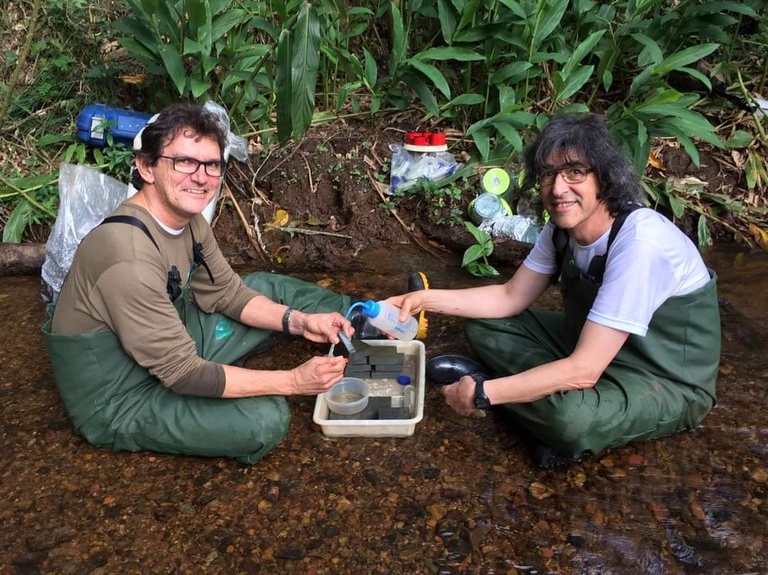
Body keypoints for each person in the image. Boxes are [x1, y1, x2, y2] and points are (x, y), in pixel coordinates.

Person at [42, 103, 428, 464]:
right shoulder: (126, 257)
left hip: (170, 339)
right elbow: (183, 373)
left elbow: (226, 291)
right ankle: (225, 384)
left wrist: (301, 321)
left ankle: (359, 318)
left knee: (266, 287)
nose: (201, 176)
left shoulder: (188, 220)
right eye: (184, 162)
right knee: (265, 419)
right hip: (122, 395)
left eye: (211, 165)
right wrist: (293, 381)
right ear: (146, 167)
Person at [390, 113, 720, 468]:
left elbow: (584, 371)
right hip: (595, 348)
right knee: (483, 324)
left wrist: (484, 394)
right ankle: (531, 399)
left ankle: (524, 401)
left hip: (664, 382)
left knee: (570, 421)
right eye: (548, 174)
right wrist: (423, 300)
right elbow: (508, 298)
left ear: (604, 179)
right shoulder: (563, 229)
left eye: (575, 172)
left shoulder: (640, 243)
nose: (558, 188)